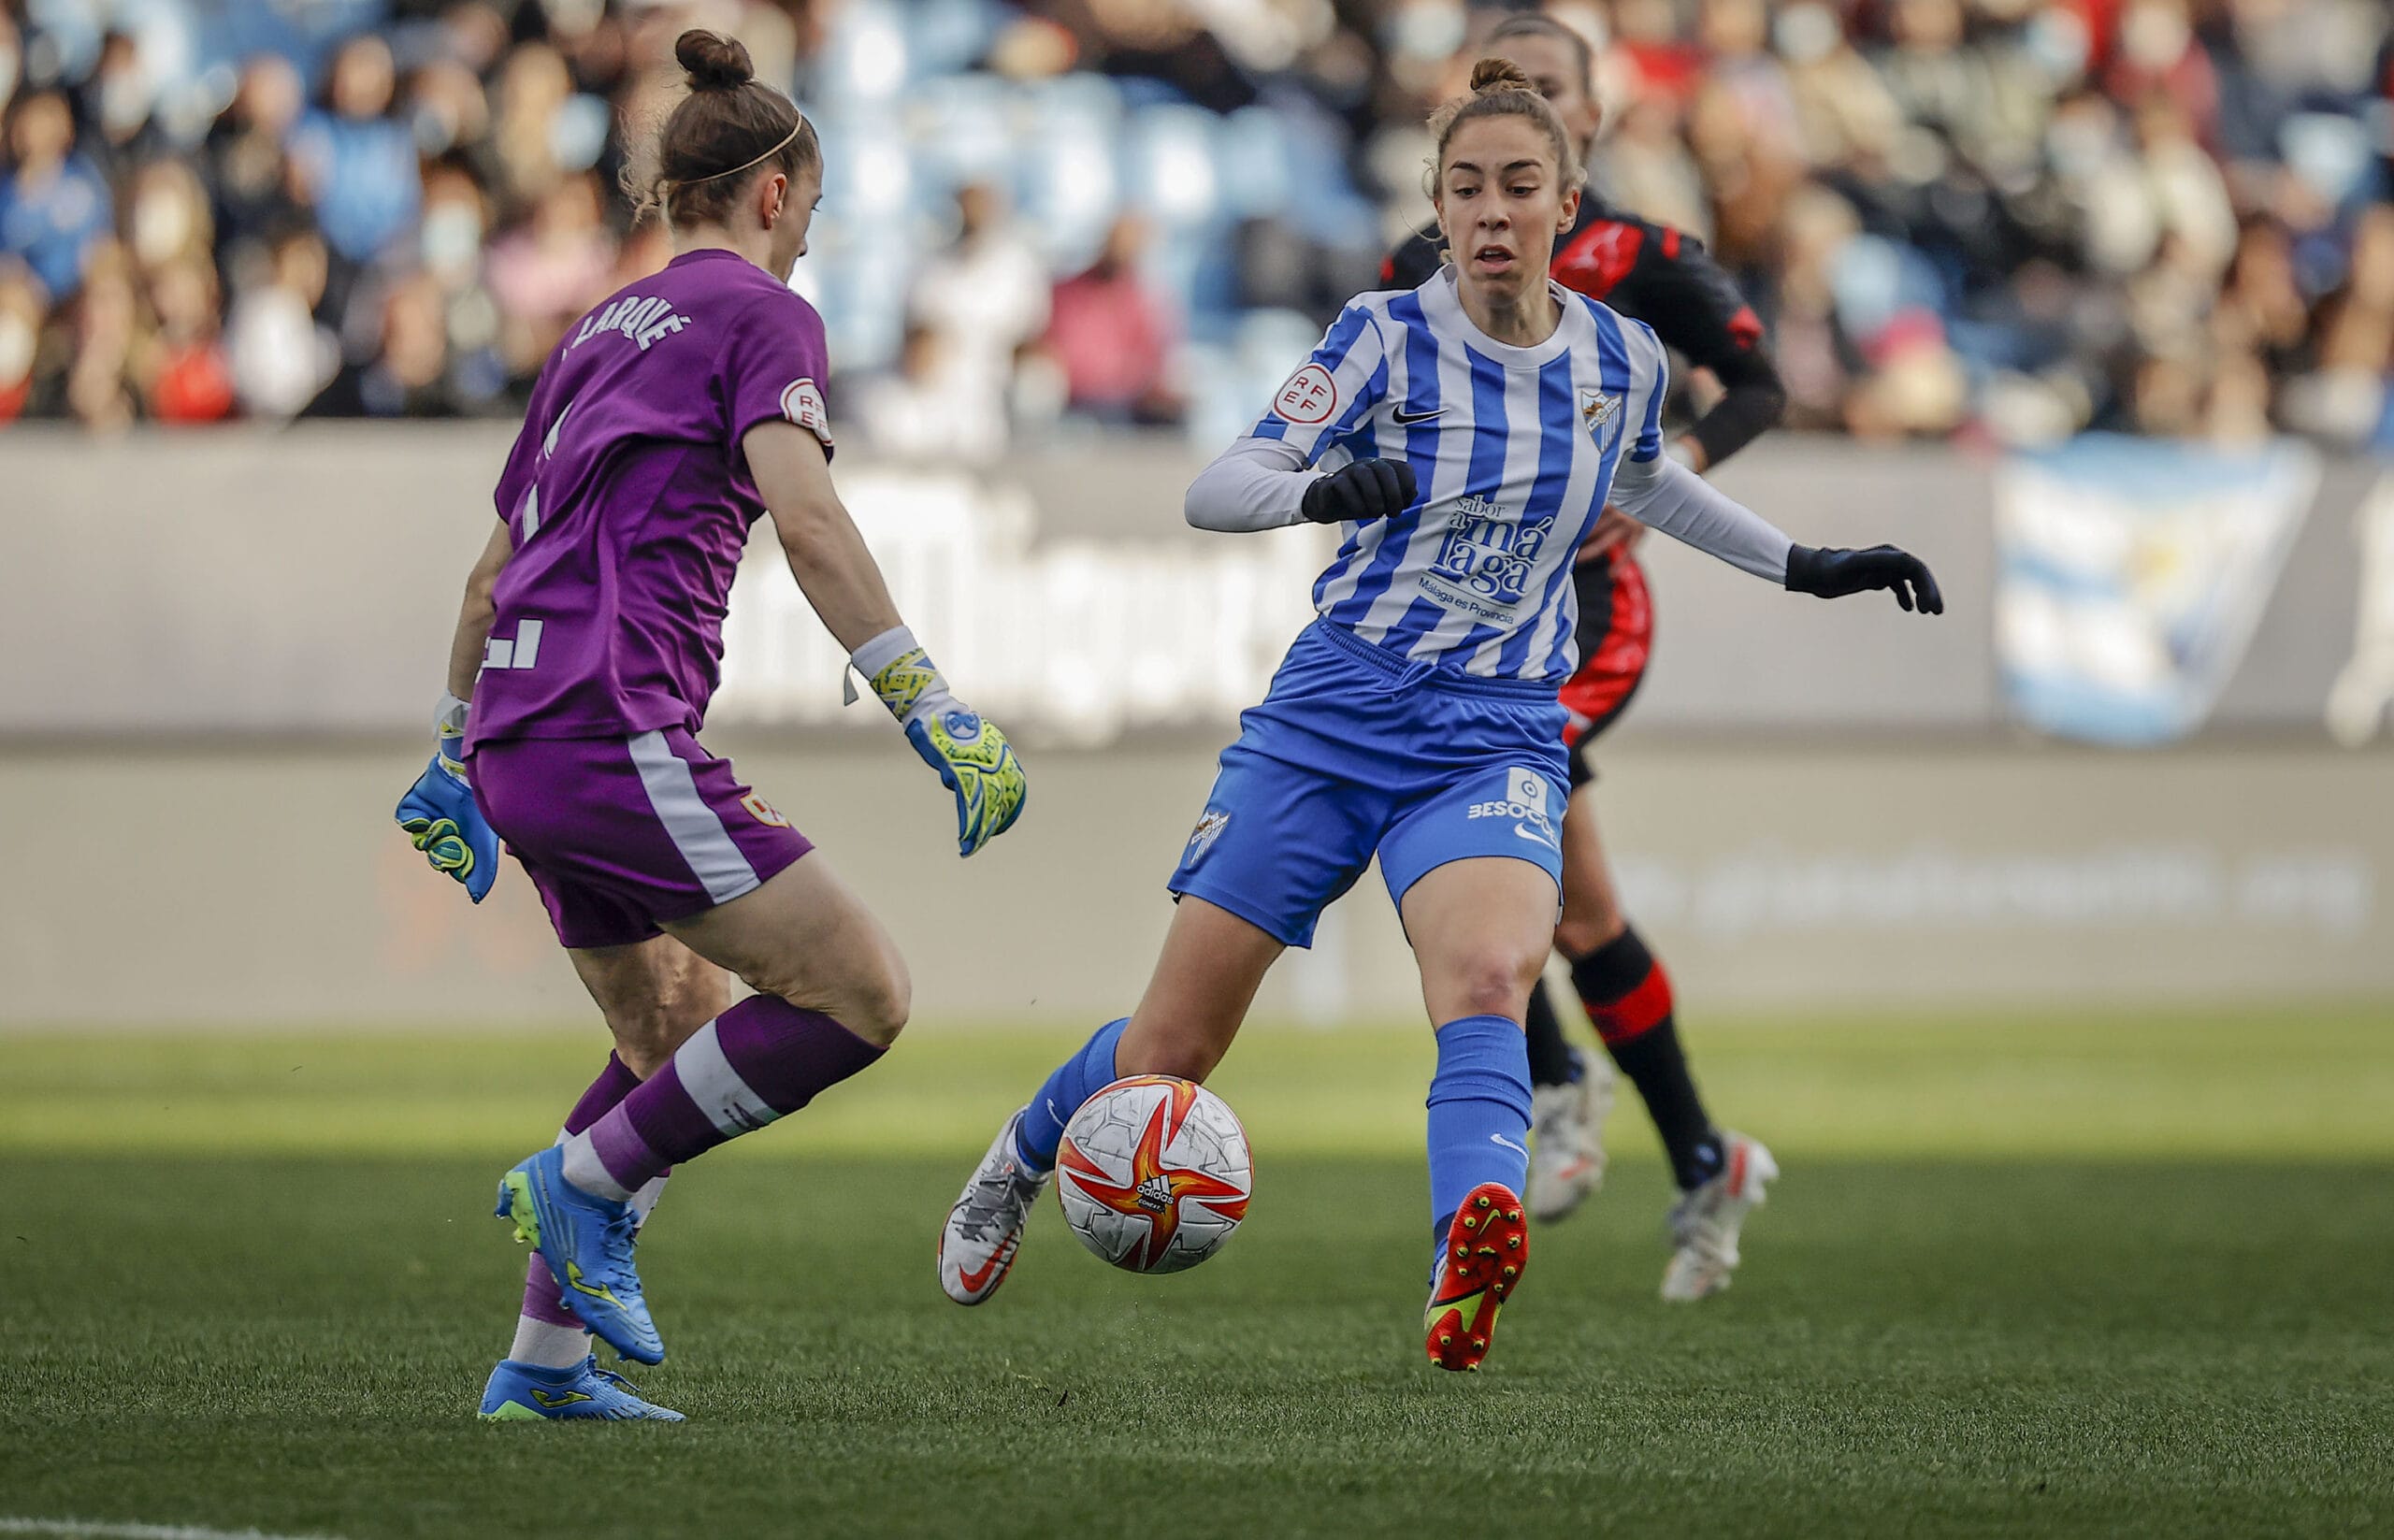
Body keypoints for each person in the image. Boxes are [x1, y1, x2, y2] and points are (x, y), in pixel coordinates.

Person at [937, 58, 1940, 1373]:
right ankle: (1020, 1154)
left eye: (1520, 186)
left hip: (1497, 726)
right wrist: (1327, 491)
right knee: (1170, 1051)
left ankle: (1468, 1241)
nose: (1491, 210)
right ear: (1440, 205)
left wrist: (1809, 564)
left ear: (1565, 204)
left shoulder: (1623, 355)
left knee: (1487, 979)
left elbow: (1656, 486)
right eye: (1466, 187)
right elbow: (1219, 487)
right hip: (1332, 720)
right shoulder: (1379, 335)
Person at [392, 30, 1028, 1422]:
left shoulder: (592, 336)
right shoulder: (763, 320)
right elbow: (806, 516)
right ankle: (574, 1187)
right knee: (860, 994)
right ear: (782, 194)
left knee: (668, 1034)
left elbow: (494, 568)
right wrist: (930, 702)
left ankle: (543, 1369)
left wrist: (452, 749)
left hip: (520, 729)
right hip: (609, 722)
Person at [1384, 14, 1790, 1299]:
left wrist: (1670, 478)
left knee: (1469, 812)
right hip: (1477, 618)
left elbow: (1758, 386)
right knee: (1587, 911)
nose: (1517, 115)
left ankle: (1555, 1080)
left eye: (1545, 93)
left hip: (1588, 619)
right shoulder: (1419, 262)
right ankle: (1703, 1161)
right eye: (1491, 97)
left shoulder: (1649, 259)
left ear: (1592, 124)